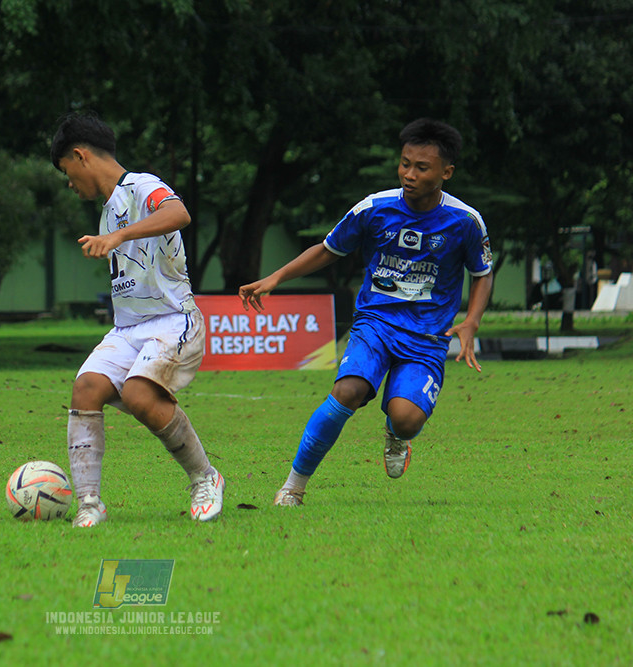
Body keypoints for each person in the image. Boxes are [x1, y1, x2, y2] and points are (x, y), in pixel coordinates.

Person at [238, 118, 494, 506]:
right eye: (405, 163)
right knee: (347, 391)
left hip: (427, 337)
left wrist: (471, 321)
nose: (409, 174)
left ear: (446, 172)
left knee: (406, 417)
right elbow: (328, 249)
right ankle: (293, 486)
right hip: (376, 323)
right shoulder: (375, 208)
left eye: (421, 168)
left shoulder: (465, 221)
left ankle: (396, 434)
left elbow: (482, 274)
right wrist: (276, 278)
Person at [50, 111, 225, 527]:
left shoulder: (140, 185)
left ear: (80, 155)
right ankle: (89, 503)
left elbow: (179, 214)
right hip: (129, 328)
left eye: (66, 172)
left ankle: (206, 478)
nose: (70, 184)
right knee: (86, 389)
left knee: (139, 397)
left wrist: (119, 236)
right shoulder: (109, 209)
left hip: (173, 319)